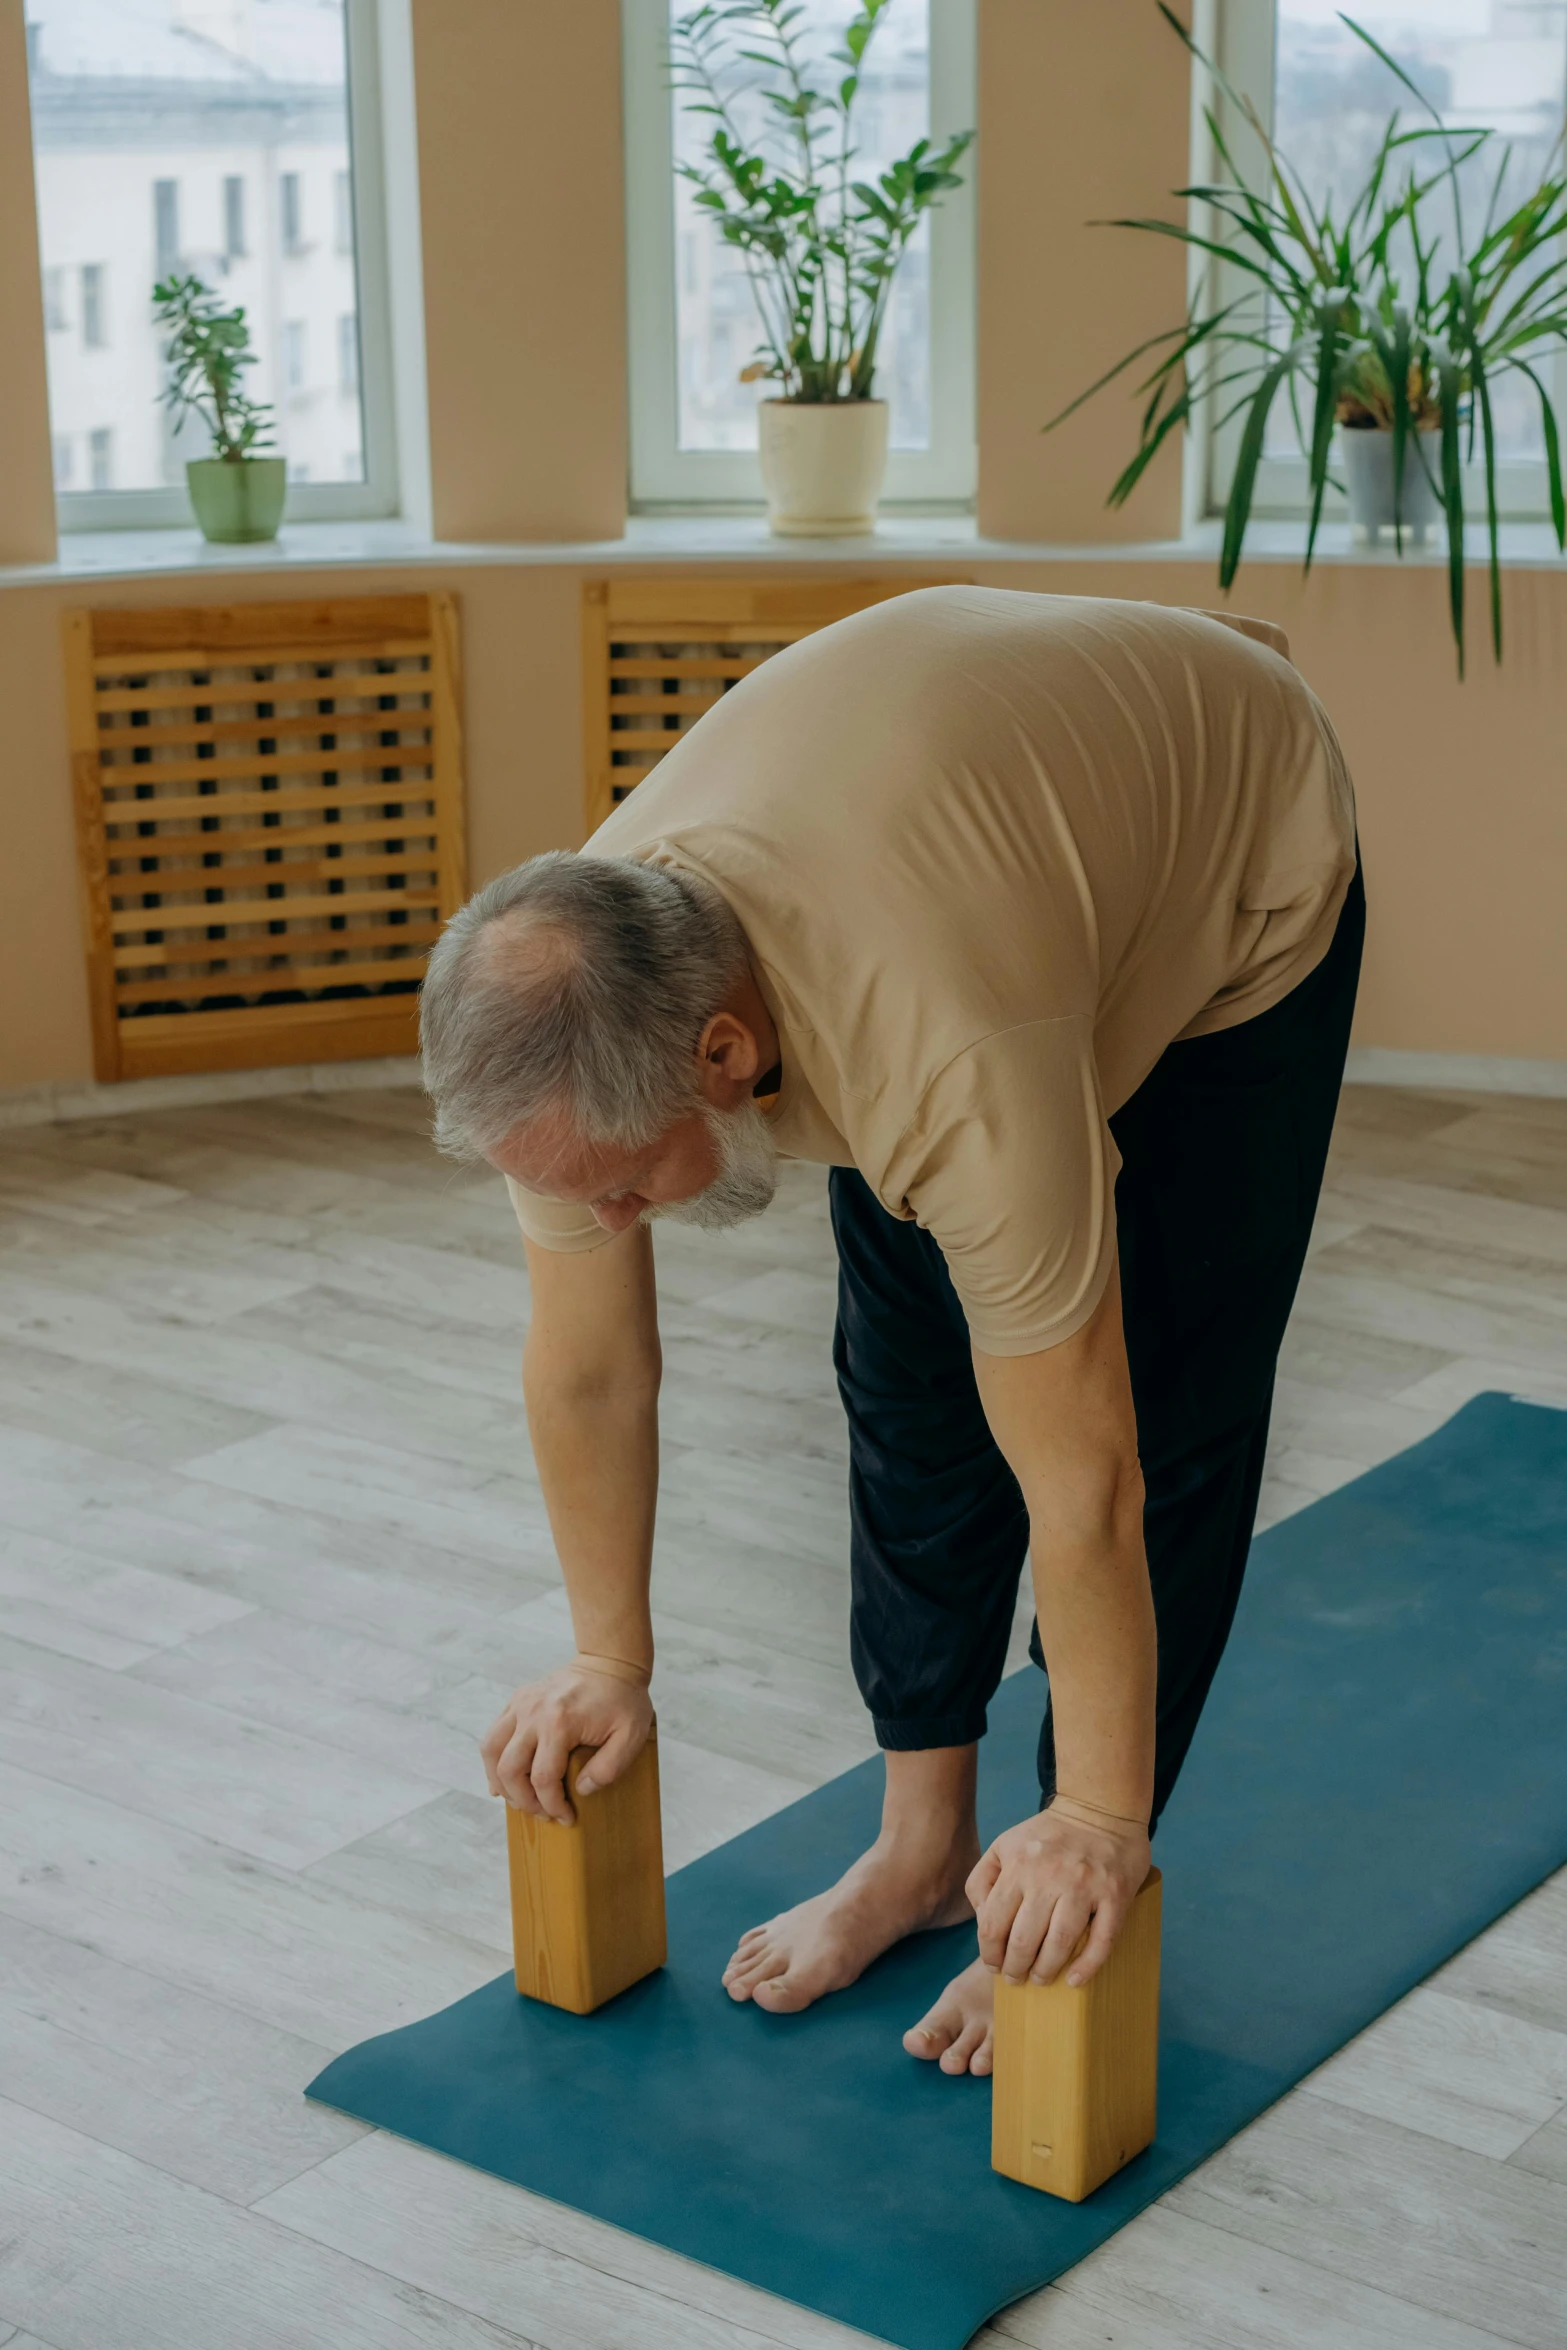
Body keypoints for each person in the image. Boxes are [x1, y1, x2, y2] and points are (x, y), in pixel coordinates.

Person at [420, 586, 1362, 2077]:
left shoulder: (943, 1056)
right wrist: (610, 1656)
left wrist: (1098, 1821)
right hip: (982, 864)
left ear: (723, 1054)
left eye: (618, 1189)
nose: (604, 1223)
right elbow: (593, 1368)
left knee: (1161, 1404)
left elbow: (1088, 1477)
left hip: (1232, 862)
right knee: (908, 1387)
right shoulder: (579, 988)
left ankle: (1055, 1872)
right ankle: (924, 1852)